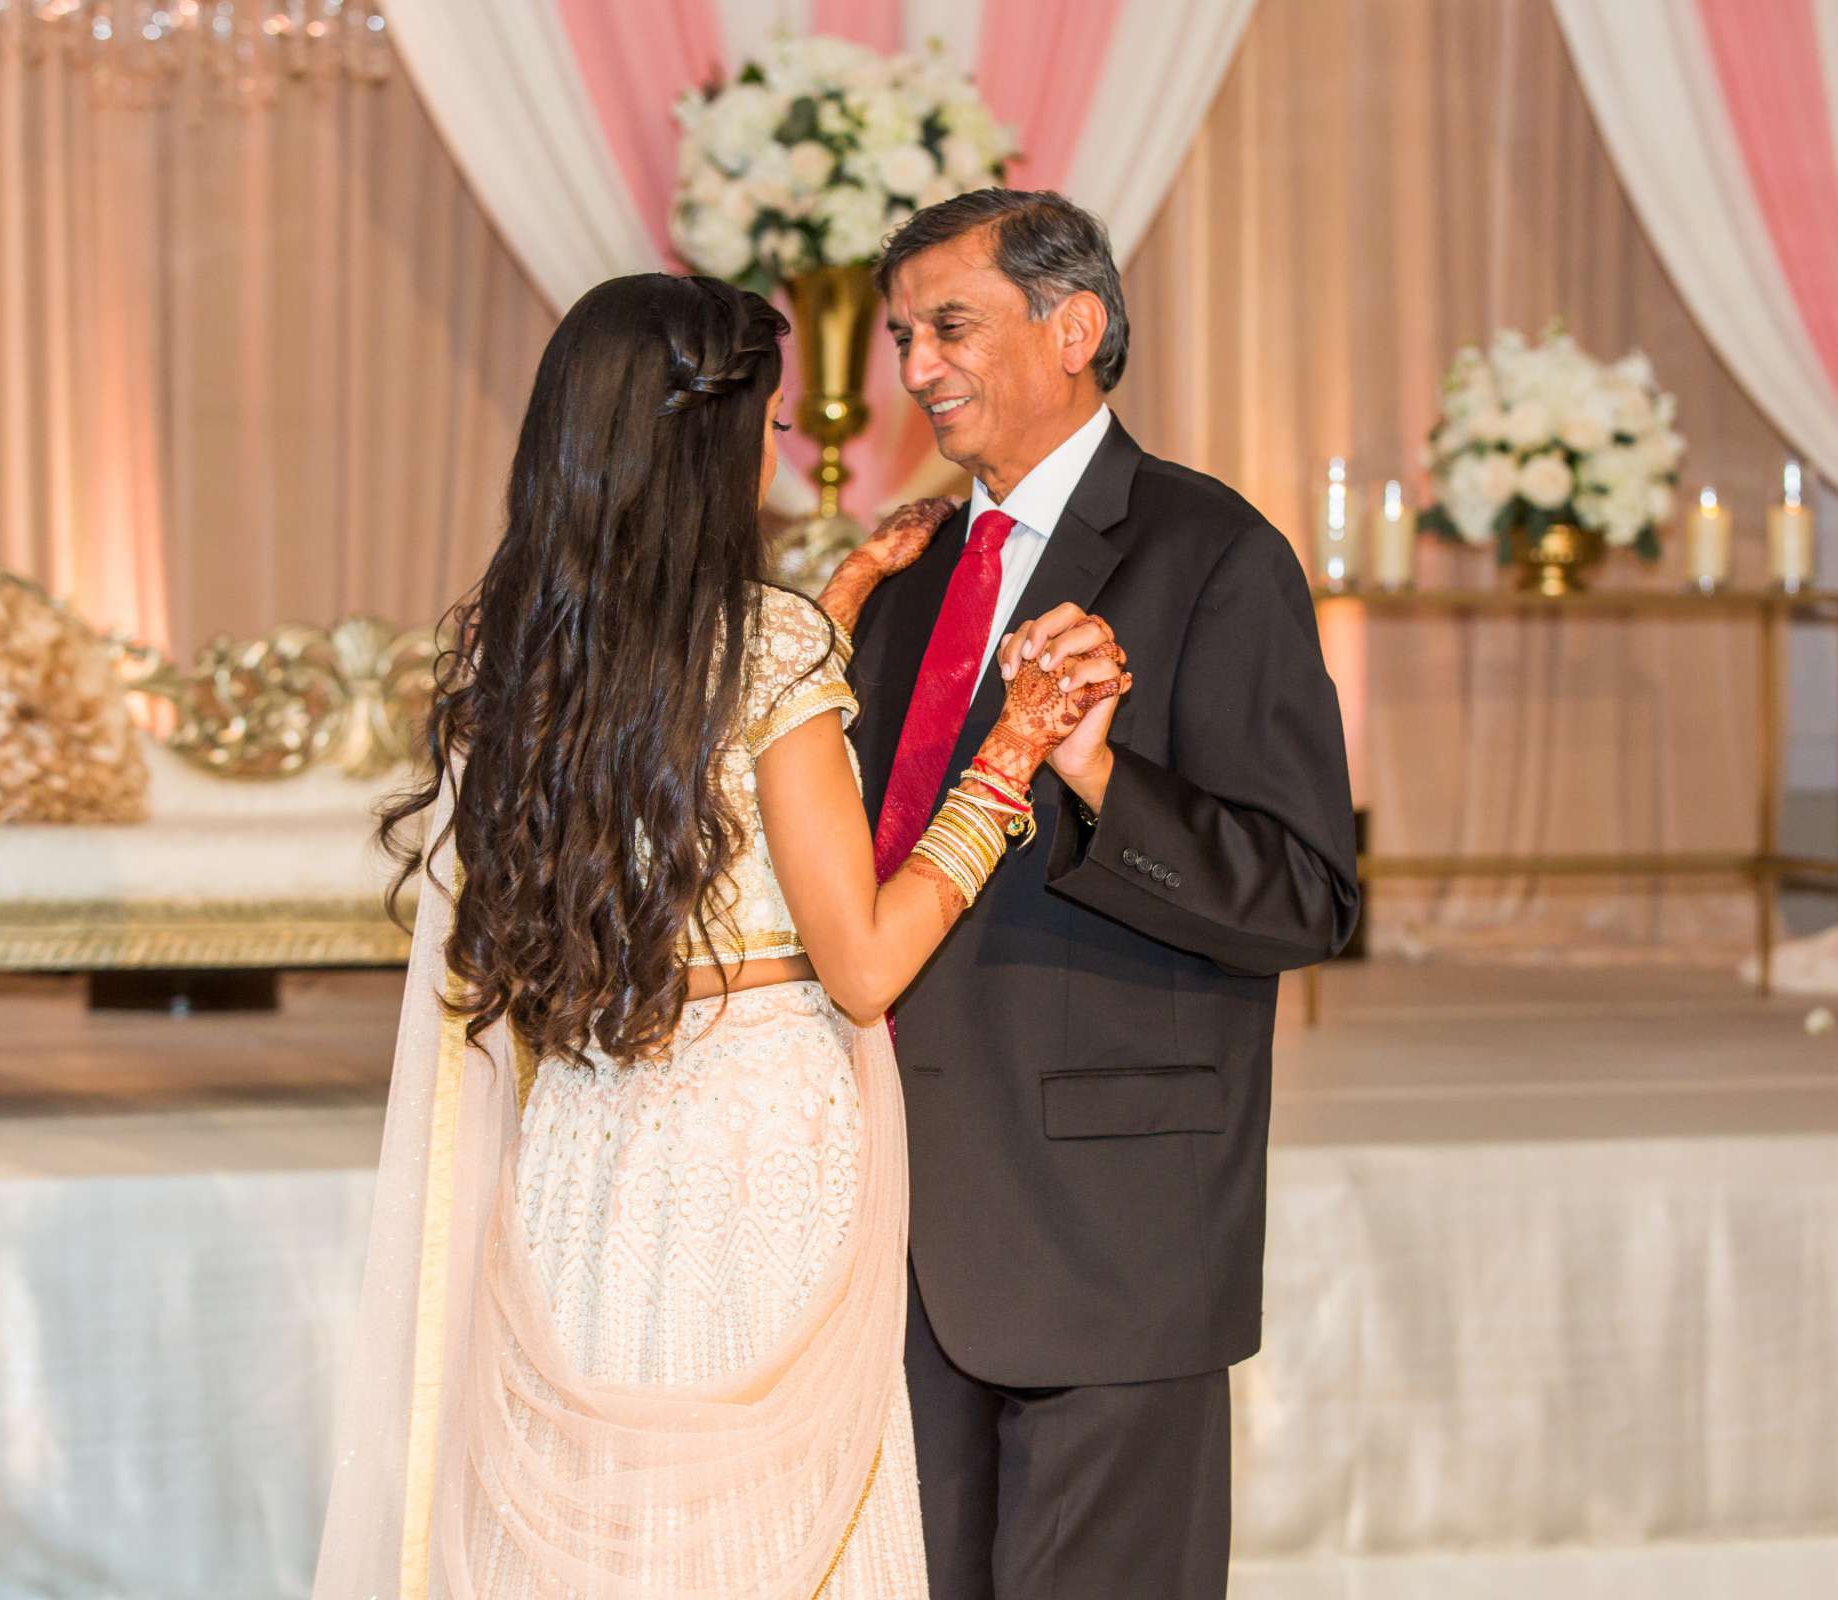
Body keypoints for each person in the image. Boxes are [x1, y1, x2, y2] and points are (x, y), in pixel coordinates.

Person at [311, 272, 1127, 1599]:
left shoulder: (518, 655)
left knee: (612, 1516)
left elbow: (683, 773)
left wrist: (840, 611)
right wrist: (1009, 760)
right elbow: (862, 965)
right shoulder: (770, 650)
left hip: (584, 1137)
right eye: (773, 418)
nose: (783, 444)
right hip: (756, 1146)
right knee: (755, 1533)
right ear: (716, 441)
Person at [854, 190, 1360, 1598]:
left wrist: (1098, 774)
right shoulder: (910, 579)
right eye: (905, 336)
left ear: (1073, 326)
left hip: (1108, 1237)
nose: (918, 367)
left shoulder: (1212, 555)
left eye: (949, 325)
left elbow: (1307, 895)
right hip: (900, 1236)